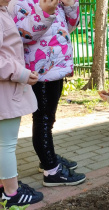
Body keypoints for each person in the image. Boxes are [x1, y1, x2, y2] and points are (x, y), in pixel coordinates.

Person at [8, 0, 86, 186]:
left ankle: (48, 158)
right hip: (39, 70)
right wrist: (44, 12)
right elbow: (20, 35)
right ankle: (51, 170)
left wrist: (70, 5)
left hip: (57, 67)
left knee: (48, 118)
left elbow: (69, 27)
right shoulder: (17, 3)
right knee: (42, 119)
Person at [0, 1, 44, 206]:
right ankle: (11, 194)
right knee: (5, 145)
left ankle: (5, 186)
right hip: (5, 92)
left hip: (6, 90)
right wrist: (22, 74)